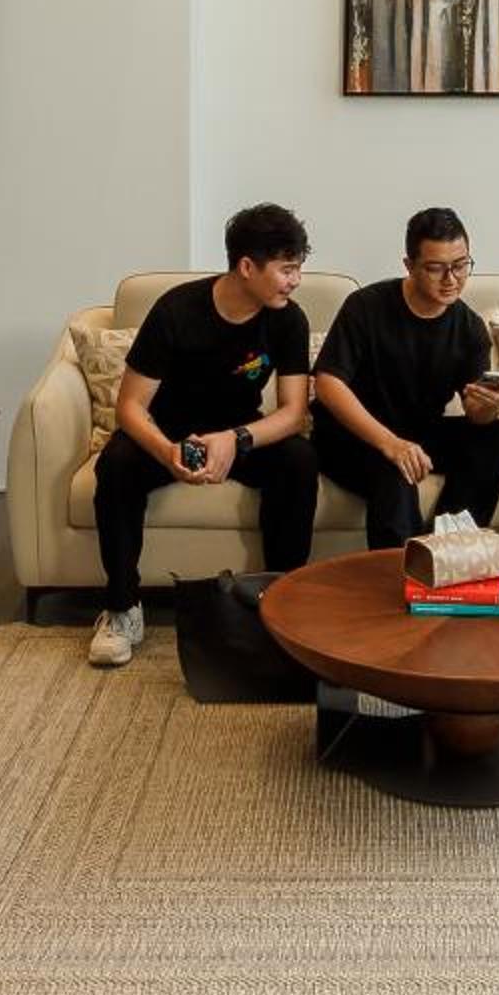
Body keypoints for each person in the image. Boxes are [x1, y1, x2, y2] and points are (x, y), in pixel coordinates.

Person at [88, 203, 323, 667]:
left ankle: (281, 602)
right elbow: (130, 406)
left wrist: (235, 440)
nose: (295, 280)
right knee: (115, 465)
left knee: (299, 460)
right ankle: (121, 608)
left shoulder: (288, 320)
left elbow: (294, 413)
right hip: (169, 431)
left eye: (298, 268)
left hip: (240, 431)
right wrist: (167, 451)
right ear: (247, 266)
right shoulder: (176, 310)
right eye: (286, 269)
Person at [311, 208, 499, 551]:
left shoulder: (469, 328)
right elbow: (328, 383)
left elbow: (476, 414)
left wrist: (489, 407)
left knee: (498, 438)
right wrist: (390, 444)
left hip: (417, 432)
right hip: (351, 435)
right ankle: (399, 572)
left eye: (461, 265)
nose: (451, 279)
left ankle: (449, 547)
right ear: (409, 265)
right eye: (436, 268)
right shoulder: (367, 306)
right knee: (395, 469)